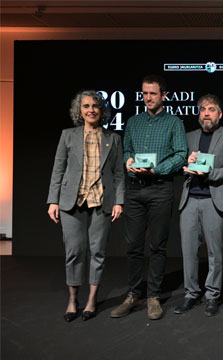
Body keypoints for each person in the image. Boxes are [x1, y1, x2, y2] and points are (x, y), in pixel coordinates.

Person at [110, 75, 187, 320]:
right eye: (144, 93)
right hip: (134, 189)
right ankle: (134, 293)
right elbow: (128, 149)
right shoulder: (133, 121)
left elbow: (181, 154)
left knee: (157, 245)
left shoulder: (174, 122)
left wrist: (157, 170)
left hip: (160, 188)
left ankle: (153, 295)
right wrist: (128, 160)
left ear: (163, 95)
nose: (148, 98)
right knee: (133, 246)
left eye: (153, 93)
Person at [47, 90, 124, 322]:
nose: (91, 110)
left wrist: (120, 200)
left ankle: (91, 299)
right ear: (79, 110)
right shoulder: (68, 135)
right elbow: (58, 169)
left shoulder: (114, 138)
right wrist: (53, 200)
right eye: (86, 106)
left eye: (95, 106)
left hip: (102, 200)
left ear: (101, 110)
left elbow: (119, 173)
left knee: (97, 251)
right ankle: (72, 299)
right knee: (74, 251)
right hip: (72, 200)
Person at [174, 94, 223, 317]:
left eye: (211, 109)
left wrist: (209, 172)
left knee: (214, 252)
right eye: (203, 109)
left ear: (219, 114)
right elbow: (181, 163)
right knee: (189, 251)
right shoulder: (189, 136)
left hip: (215, 200)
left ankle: (212, 295)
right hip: (190, 198)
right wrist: (187, 164)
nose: (207, 113)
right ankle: (191, 294)